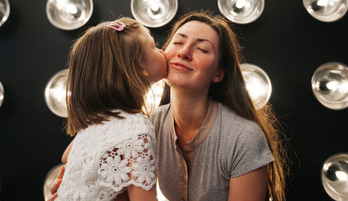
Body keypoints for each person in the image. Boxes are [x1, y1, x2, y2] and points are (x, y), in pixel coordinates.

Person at [50, 11, 289, 201]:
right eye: (178, 42)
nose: (184, 52)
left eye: (202, 48)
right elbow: (80, 153)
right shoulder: (145, 125)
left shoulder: (243, 138)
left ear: (218, 73)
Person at [51, 17, 167, 201]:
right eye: (155, 45)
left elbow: (67, 157)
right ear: (140, 66)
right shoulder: (136, 131)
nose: (162, 51)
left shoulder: (98, 122)